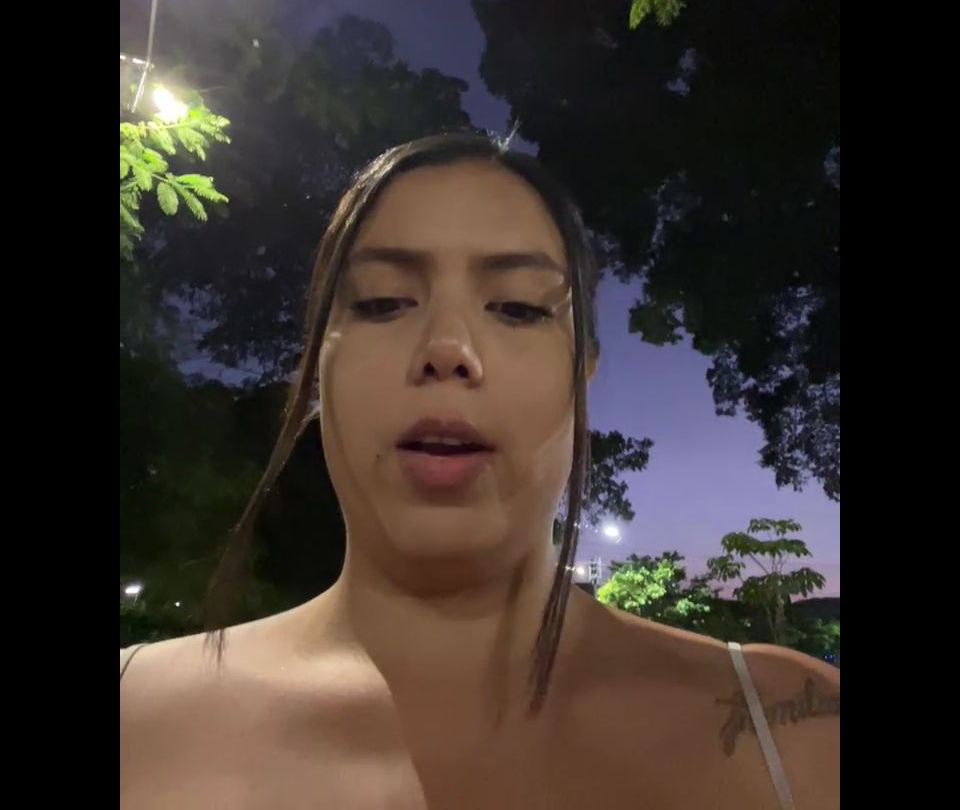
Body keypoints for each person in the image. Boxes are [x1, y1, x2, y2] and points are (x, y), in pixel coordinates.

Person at [120, 133, 839, 809]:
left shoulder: (799, 736)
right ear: (315, 364)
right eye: (382, 301)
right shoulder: (134, 713)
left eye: (519, 308)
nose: (447, 348)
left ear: (583, 373)